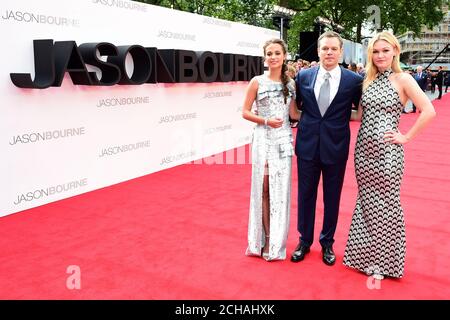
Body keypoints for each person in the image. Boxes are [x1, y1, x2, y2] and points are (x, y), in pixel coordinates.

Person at [343, 31, 436, 280]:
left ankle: (384, 264)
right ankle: (363, 258)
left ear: (395, 51)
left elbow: (429, 110)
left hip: (388, 154)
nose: (380, 55)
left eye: (385, 50)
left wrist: (406, 137)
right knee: (366, 204)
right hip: (363, 151)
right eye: (375, 51)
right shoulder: (367, 80)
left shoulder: (403, 79)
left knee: (386, 206)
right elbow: (360, 116)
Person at [291, 31, 363, 266]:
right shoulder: (303, 76)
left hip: (336, 147)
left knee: (332, 198)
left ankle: (327, 242)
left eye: (333, 49)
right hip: (307, 146)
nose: (329, 52)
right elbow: (297, 109)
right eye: (325, 49)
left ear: (341, 52)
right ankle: (304, 240)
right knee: (305, 196)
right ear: (318, 51)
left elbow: (358, 112)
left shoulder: (354, 81)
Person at [242, 38, 300, 261]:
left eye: (277, 53)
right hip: (263, 140)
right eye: (269, 53)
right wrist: (265, 121)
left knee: (280, 191)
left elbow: (293, 115)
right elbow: (245, 112)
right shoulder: (257, 81)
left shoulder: (291, 84)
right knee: (264, 188)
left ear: (284, 56)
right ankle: (263, 239)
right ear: (264, 57)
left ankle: (276, 241)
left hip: (283, 141)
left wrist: (324, 117)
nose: (273, 57)